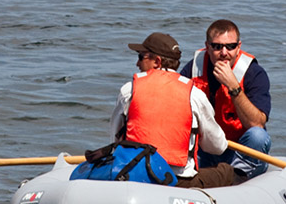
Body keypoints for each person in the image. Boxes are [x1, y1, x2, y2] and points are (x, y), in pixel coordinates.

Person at [110, 32, 235, 188]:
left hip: (134, 175)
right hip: (179, 181)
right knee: (227, 171)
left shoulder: (128, 90)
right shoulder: (194, 95)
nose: (137, 63)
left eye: (142, 57)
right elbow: (217, 147)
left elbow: (114, 142)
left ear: (157, 61)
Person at [179, 19, 272, 180]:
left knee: (258, 136)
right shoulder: (193, 69)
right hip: (204, 149)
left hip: (239, 151)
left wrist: (233, 87)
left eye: (230, 46)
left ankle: (235, 178)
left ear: (239, 47)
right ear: (207, 46)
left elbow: (257, 123)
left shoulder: (254, 74)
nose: (224, 53)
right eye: (217, 46)